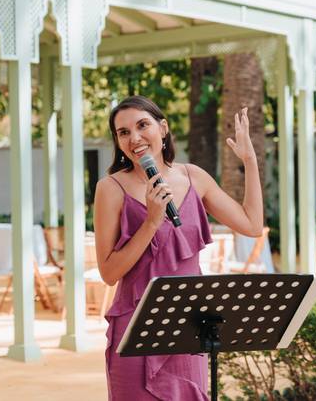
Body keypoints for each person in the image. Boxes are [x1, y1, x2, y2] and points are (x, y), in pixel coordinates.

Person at [94, 96, 264, 400]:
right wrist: (151, 222)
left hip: (187, 324)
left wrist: (250, 161)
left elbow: (251, 225)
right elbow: (109, 272)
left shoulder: (194, 177)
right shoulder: (110, 188)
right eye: (123, 132)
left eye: (142, 125)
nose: (134, 138)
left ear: (163, 128)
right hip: (135, 327)